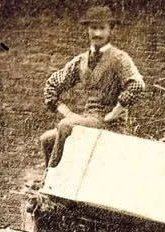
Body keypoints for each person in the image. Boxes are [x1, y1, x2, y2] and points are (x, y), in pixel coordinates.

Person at [39, 5, 145, 168]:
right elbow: (52, 85)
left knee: (66, 125)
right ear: (87, 30)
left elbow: (137, 85)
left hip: (111, 125)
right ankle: (56, 186)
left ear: (111, 30)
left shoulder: (119, 58)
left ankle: (51, 178)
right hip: (88, 120)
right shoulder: (81, 61)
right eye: (93, 28)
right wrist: (67, 112)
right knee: (47, 139)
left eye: (102, 28)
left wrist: (113, 114)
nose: (97, 33)